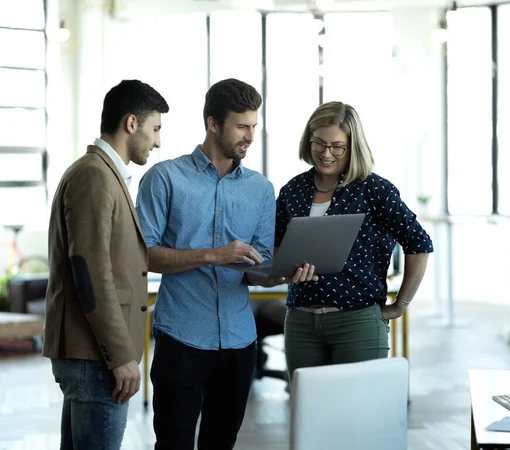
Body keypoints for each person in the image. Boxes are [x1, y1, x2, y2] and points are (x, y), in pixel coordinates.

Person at [136, 78, 315, 450]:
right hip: (181, 336)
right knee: (173, 444)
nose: (250, 135)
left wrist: (285, 272)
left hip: (238, 342)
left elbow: (257, 270)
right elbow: (144, 255)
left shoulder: (261, 190)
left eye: (254, 125)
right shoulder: (164, 178)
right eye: (241, 126)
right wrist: (213, 255)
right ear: (213, 124)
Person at [43, 79, 169, 449]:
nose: (158, 141)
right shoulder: (94, 176)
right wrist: (120, 356)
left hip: (94, 353)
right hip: (96, 355)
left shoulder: (103, 174)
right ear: (132, 123)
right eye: (155, 129)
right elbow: (90, 273)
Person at [276, 101, 434, 378]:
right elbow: (276, 247)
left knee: (358, 416)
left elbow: (419, 243)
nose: (326, 154)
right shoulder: (293, 190)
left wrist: (400, 305)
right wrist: (284, 270)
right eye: (319, 143)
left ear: (353, 147)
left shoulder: (374, 189)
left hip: (357, 320)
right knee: (308, 416)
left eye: (337, 146)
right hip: (300, 321)